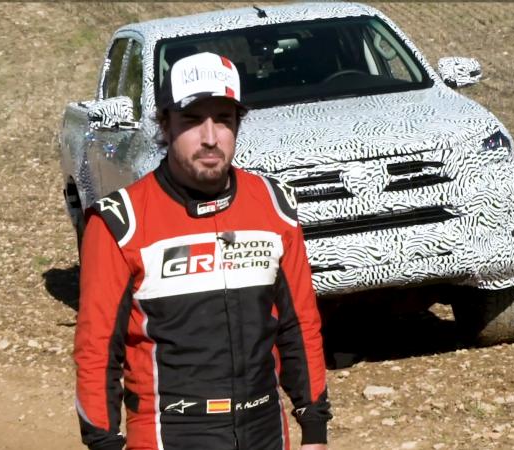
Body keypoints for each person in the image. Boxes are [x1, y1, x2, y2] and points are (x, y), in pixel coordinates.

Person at [74, 52, 331, 450]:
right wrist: (104, 442)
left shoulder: (274, 205)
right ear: (165, 125)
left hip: (265, 428)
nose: (210, 137)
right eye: (192, 120)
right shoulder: (119, 222)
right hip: (171, 433)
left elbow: (300, 323)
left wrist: (313, 424)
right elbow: (97, 349)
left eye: (223, 120)